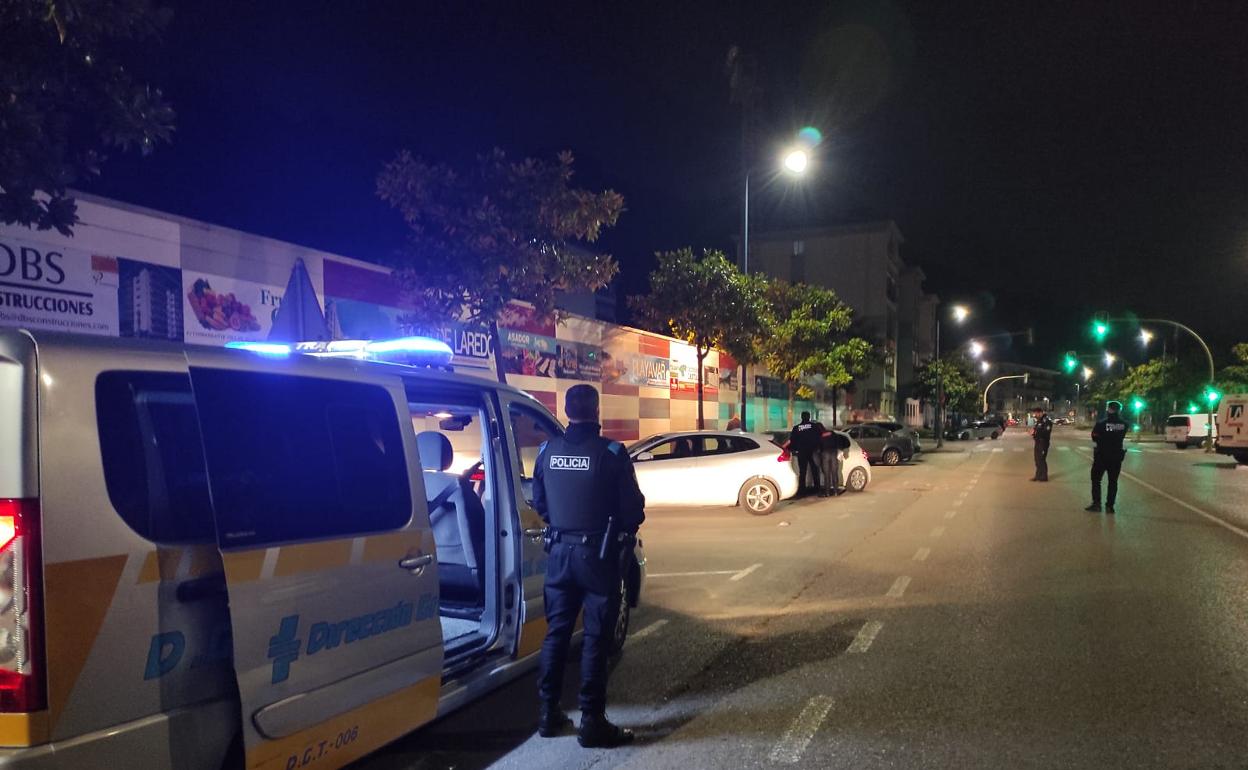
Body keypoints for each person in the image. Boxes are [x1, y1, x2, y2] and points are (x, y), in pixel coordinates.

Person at [532, 384, 646, 748]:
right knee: (596, 638)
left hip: (559, 556)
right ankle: (592, 721)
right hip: (598, 558)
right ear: (597, 411)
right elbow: (632, 511)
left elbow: (541, 503)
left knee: (556, 634)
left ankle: (548, 714)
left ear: (567, 411)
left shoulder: (547, 451)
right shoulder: (611, 453)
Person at [1087, 400, 1128, 513]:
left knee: (1096, 479)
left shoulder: (1101, 423)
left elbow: (1094, 437)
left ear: (1109, 409)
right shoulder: (1124, 424)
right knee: (1113, 482)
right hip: (1116, 457)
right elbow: (1121, 436)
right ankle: (1110, 506)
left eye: (1107, 408)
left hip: (1102, 457)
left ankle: (1096, 504)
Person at [787, 411, 825, 494]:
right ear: (809, 417)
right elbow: (820, 438)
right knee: (815, 470)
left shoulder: (796, 428)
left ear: (801, 417)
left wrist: (794, 449)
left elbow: (792, 440)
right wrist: (820, 449)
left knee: (802, 471)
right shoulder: (814, 426)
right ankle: (817, 488)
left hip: (802, 451)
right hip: (813, 451)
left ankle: (802, 490)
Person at [817, 427, 852, 496]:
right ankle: (836, 492)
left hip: (825, 454)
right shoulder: (833, 434)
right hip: (833, 453)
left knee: (826, 475)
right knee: (834, 473)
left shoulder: (821, 436)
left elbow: (818, 447)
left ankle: (827, 492)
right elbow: (840, 443)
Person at [1030, 407, 1053, 481]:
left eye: (1036, 413)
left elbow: (1046, 432)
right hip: (1037, 442)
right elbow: (1036, 431)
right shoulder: (1039, 421)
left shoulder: (1047, 421)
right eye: (1035, 413)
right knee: (1037, 460)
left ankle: (1044, 477)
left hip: (1043, 443)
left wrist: (1036, 433)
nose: (1035, 415)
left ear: (1041, 413)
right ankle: (1038, 476)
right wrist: (1033, 433)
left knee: (1041, 459)